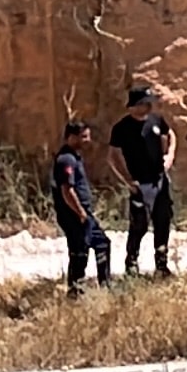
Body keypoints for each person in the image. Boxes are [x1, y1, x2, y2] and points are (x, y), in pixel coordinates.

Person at [109, 83, 177, 274]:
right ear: (134, 105)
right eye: (145, 103)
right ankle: (131, 262)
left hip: (160, 179)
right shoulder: (122, 128)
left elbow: (170, 134)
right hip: (140, 183)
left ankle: (161, 263)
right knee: (139, 224)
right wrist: (127, 180)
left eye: (149, 103)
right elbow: (113, 156)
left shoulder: (156, 120)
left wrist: (169, 155)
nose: (148, 107)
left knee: (163, 221)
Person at [50, 119, 111, 295]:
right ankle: (76, 291)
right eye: (84, 137)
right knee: (79, 253)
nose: (88, 140)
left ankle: (105, 286)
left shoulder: (74, 158)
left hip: (82, 215)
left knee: (101, 244)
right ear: (71, 137)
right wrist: (81, 213)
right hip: (74, 216)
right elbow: (67, 191)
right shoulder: (66, 160)